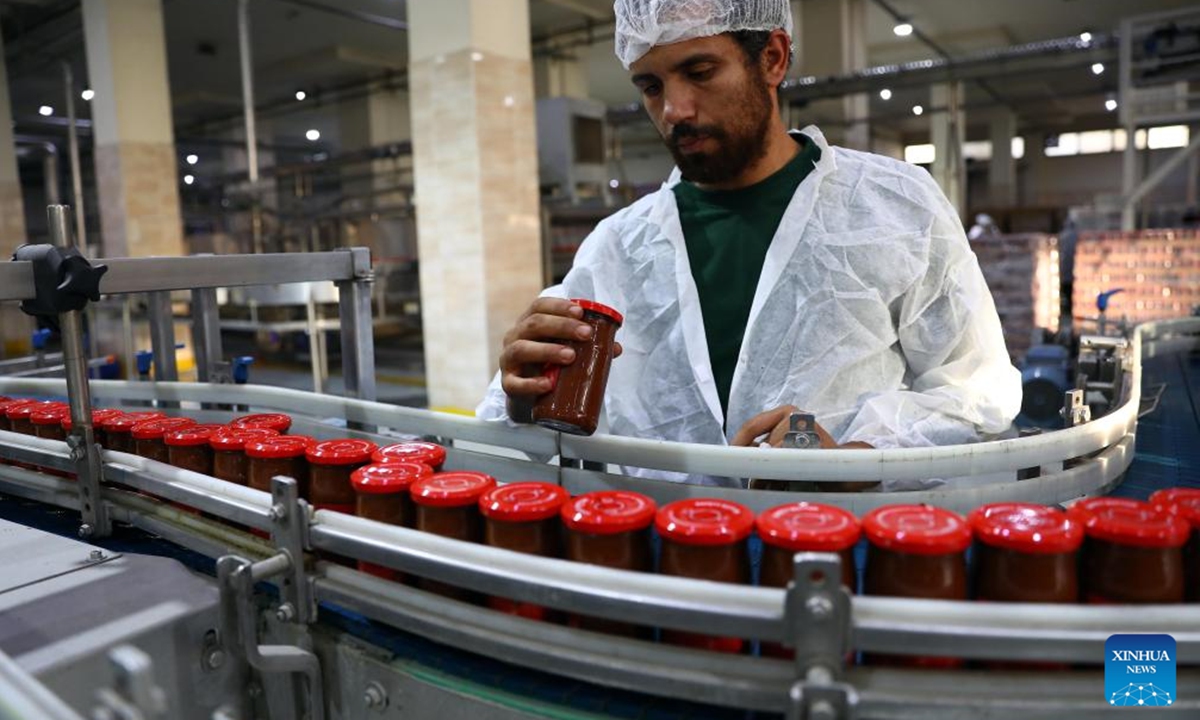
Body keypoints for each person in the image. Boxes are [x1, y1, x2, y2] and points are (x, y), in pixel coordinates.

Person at [477, 0, 1021, 490]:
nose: (674, 110)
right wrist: (521, 398)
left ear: (773, 59)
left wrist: (859, 462)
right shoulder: (616, 248)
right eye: (651, 86)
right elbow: (537, 434)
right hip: (666, 561)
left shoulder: (893, 205)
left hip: (835, 553)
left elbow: (975, 392)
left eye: (700, 71)